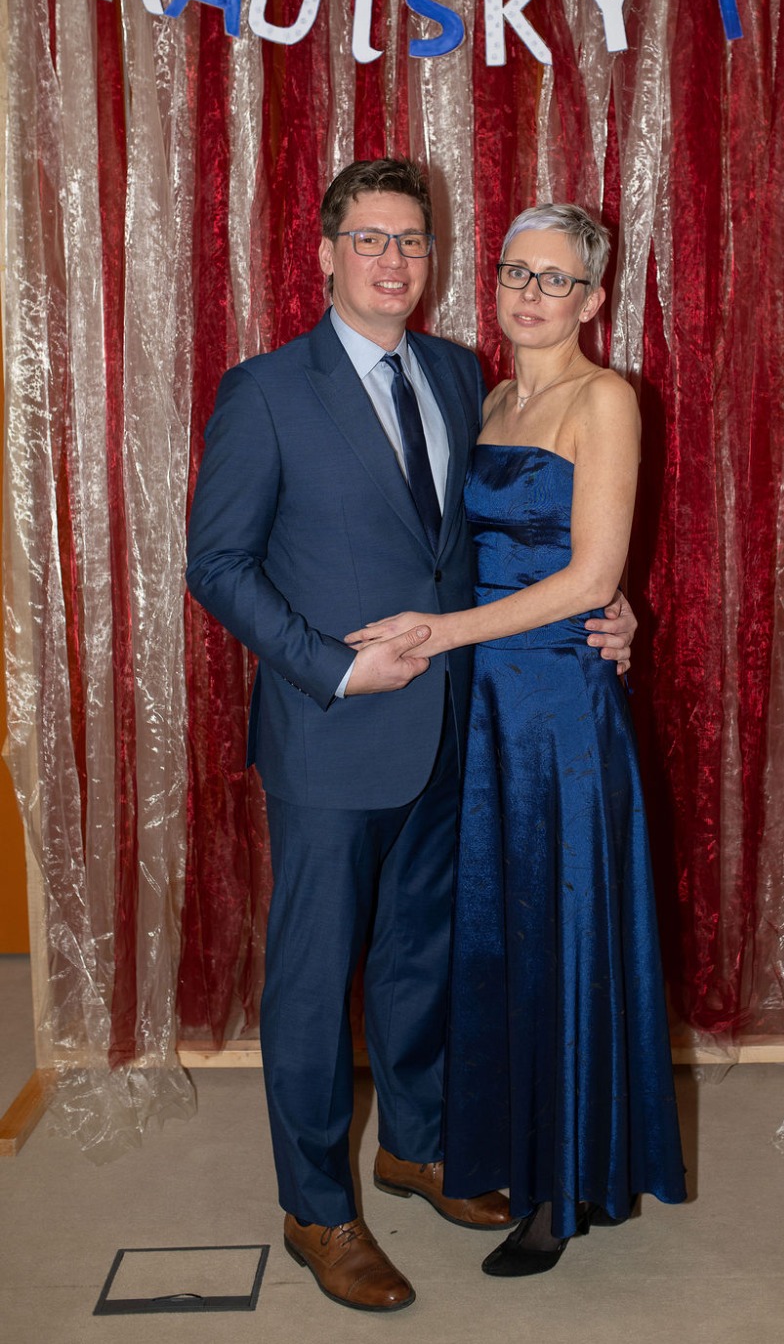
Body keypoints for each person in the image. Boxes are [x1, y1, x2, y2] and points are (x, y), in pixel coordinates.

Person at [185, 161, 636, 1313]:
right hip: (332, 734)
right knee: (312, 979)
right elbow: (217, 564)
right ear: (325, 254)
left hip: (456, 728)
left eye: (414, 242)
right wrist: (336, 667)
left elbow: (505, 541)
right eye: (371, 240)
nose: (394, 261)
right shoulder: (265, 391)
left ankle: (416, 1148)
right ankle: (316, 1209)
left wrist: (610, 601)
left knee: (421, 958)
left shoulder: (457, 373)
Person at [346, 203, 687, 1279]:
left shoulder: (605, 398)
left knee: (559, 929)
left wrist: (450, 630)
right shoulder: (486, 397)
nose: (531, 294)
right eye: (515, 273)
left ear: (592, 298)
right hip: (479, 705)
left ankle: (563, 1188)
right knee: (498, 934)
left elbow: (591, 577)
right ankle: (523, 1148)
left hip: (555, 710)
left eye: (556, 278)